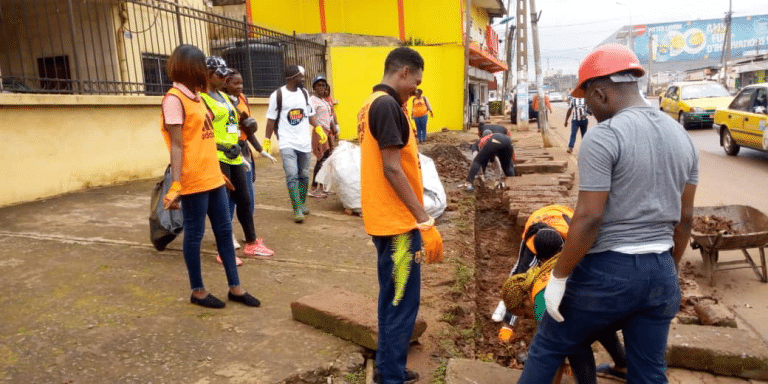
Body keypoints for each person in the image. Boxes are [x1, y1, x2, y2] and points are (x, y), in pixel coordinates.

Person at [518, 43, 698, 383]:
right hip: (661, 269)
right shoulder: (681, 136)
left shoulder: (606, 137)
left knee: (550, 344)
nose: (589, 110)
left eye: (587, 101)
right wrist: (666, 270)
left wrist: (558, 278)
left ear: (601, 93)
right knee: (649, 371)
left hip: (609, 272)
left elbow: (589, 218)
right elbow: (685, 219)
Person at [358, 46, 444, 384]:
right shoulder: (387, 106)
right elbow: (392, 170)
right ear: (404, 72)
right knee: (402, 304)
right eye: (416, 83)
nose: (416, 91)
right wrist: (424, 219)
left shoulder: (371, 103)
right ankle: (390, 377)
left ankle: (388, 367)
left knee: (391, 298)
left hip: (384, 219)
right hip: (397, 225)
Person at [160, 44, 260, 309]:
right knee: (194, 233)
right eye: (201, 67)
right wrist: (177, 183)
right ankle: (198, 291)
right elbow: (178, 145)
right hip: (193, 179)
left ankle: (235, 287)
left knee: (225, 231)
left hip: (213, 175)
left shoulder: (196, 97)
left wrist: (219, 174)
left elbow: (206, 139)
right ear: (190, 68)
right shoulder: (174, 99)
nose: (207, 72)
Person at [502, 232, 627, 384]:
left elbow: (554, 354)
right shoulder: (549, 268)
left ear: (523, 302)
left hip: (610, 304)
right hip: (621, 296)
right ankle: (622, 365)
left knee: (575, 343)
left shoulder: (541, 303)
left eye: (523, 314)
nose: (527, 318)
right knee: (588, 329)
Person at [200, 57, 274, 261]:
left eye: (225, 74)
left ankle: (251, 243)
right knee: (221, 205)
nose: (224, 77)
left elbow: (236, 126)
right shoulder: (202, 100)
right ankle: (223, 249)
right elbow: (202, 132)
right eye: (219, 74)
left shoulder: (225, 98)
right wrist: (221, 148)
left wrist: (244, 153)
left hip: (234, 155)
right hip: (218, 156)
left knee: (244, 199)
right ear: (207, 74)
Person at [221, 69, 278, 261]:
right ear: (225, 83)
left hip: (243, 151)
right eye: (235, 84)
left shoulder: (242, 99)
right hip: (227, 153)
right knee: (228, 198)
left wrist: (260, 150)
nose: (240, 87)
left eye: (241, 83)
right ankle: (226, 235)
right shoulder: (218, 101)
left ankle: (249, 236)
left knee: (247, 198)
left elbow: (247, 128)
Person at [264, 65, 318, 223]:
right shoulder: (278, 95)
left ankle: (302, 203)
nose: (303, 79)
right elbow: (271, 120)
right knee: (291, 173)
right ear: (292, 78)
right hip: (287, 141)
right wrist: (267, 140)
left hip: (304, 141)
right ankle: (297, 209)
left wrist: (319, 127)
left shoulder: (304, 93)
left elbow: (309, 114)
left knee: (304, 174)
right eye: (300, 77)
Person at [511, 205, 573, 276]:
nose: (549, 264)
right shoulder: (531, 244)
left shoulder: (573, 236)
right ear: (538, 254)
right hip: (537, 216)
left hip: (563, 211)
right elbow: (520, 276)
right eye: (545, 261)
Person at [308, 75, 337, 198]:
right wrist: (319, 129)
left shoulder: (324, 101)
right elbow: (310, 116)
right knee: (321, 161)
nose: (321, 87)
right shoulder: (312, 100)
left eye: (323, 85)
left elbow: (329, 116)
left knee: (327, 161)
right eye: (318, 85)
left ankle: (323, 187)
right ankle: (314, 188)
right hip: (320, 133)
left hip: (328, 132)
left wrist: (334, 126)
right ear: (314, 87)